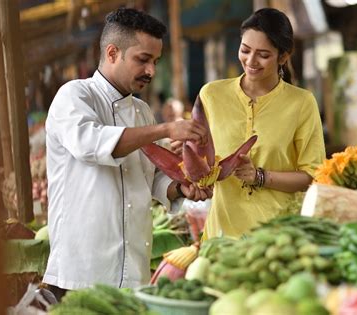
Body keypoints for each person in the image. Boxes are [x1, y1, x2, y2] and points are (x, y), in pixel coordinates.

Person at [43, 7, 212, 298]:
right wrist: (165, 129)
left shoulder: (142, 111)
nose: (151, 71)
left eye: (156, 61)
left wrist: (179, 188)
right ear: (112, 53)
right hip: (81, 274)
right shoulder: (74, 95)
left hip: (133, 271)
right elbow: (93, 145)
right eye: (143, 60)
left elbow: (153, 177)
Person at [184, 8, 326, 239]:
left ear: (283, 57)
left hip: (278, 237)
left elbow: (312, 175)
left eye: (263, 54)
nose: (250, 61)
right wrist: (188, 164)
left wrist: (259, 176)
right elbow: (200, 159)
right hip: (221, 236)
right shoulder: (211, 94)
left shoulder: (302, 102)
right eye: (245, 50)